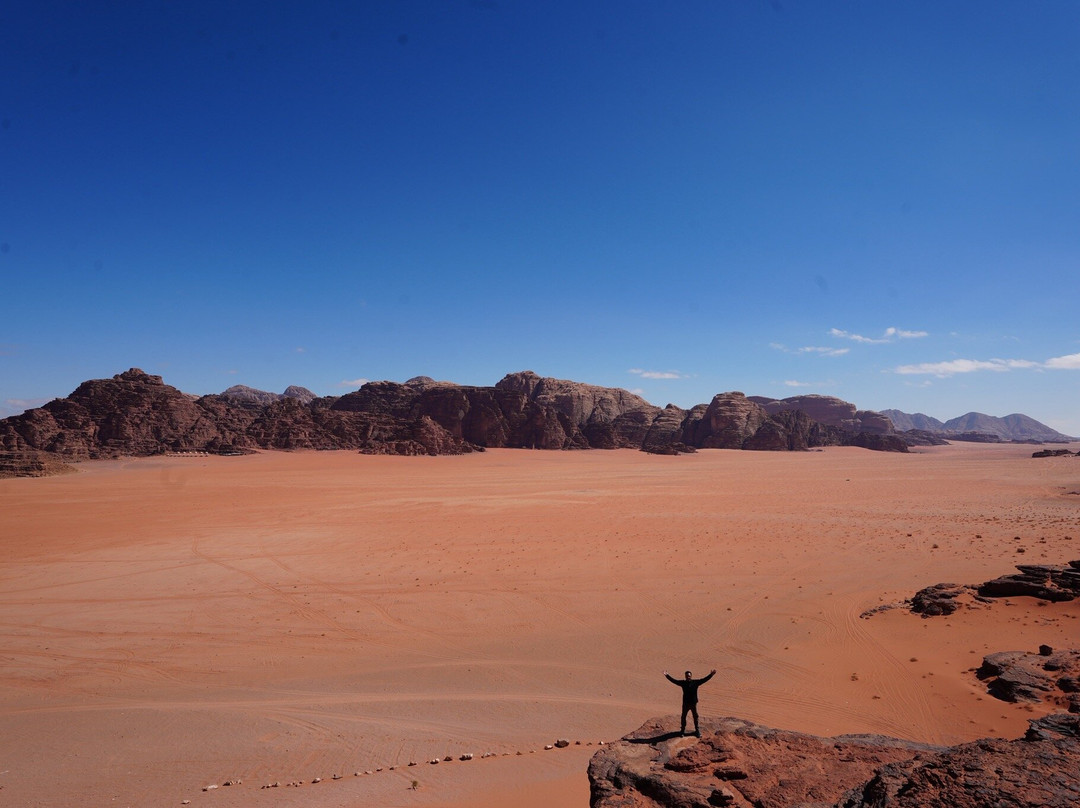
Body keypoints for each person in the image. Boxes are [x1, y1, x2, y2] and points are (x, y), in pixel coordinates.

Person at [664, 668, 716, 736]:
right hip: (686, 704)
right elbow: (674, 681)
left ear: (691, 676)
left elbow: (704, 680)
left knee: (695, 717)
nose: (688, 677)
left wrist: (711, 675)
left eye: (689, 676)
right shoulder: (683, 683)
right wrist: (667, 675)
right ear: (685, 676)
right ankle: (682, 731)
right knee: (683, 717)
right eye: (687, 676)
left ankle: (697, 731)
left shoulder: (695, 682)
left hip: (693, 703)